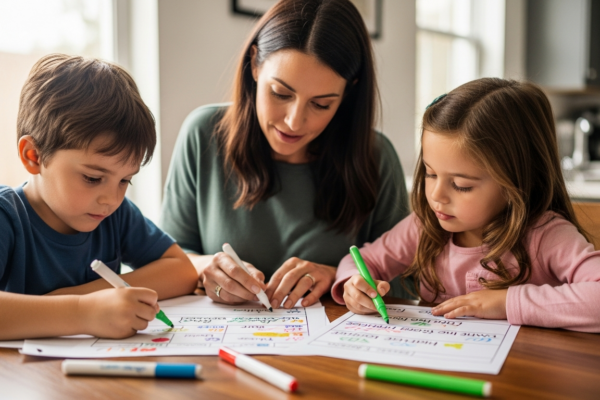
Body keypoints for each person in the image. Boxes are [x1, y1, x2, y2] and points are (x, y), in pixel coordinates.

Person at [160, 0, 413, 310]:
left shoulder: (376, 158)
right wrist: (206, 268)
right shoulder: (203, 134)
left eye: (321, 104)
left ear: (348, 93)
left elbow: (403, 284)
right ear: (254, 64)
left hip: (332, 352)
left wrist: (339, 277)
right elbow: (167, 259)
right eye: (280, 93)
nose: (294, 121)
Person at [334, 77, 600, 332]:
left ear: (516, 182)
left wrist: (508, 302)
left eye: (462, 185)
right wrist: (354, 284)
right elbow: (362, 259)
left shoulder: (546, 235)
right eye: (430, 173)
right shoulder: (424, 226)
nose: (437, 195)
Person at [0, 54, 198, 340]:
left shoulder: (113, 216)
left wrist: (85, 295)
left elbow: (182, 271)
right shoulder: (7, 216)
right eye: (93, 178)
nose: (111, 199)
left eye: (125, 180)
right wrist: (82, 310)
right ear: (34, 156)